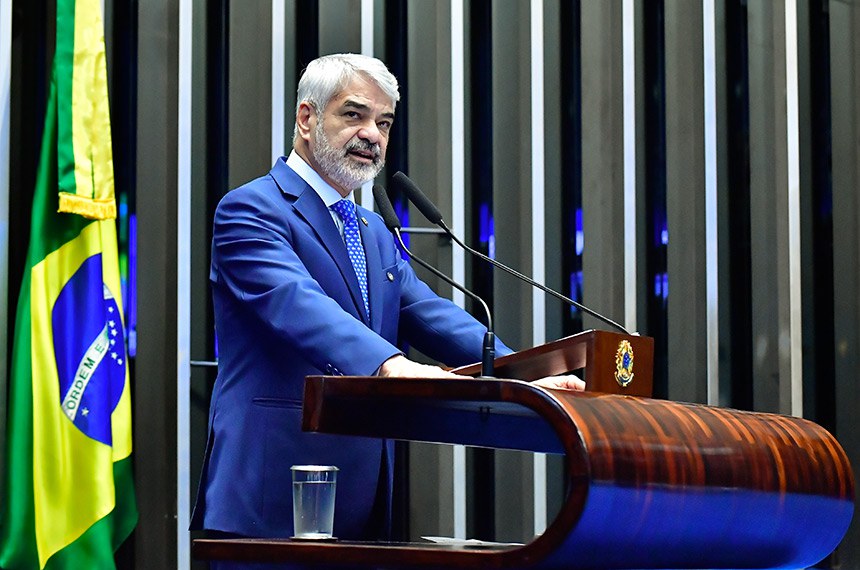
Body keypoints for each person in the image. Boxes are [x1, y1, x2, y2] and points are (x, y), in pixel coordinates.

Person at [190, 53, 582, 551]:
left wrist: (522, 375)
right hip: (271, 492)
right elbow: (299, 305)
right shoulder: (251, 209)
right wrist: (391, 365)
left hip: (363, 501)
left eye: (384, 122)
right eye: (353, 115)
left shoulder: (373, 229)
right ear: (307, 119)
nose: (372, 134)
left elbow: (430, 315)